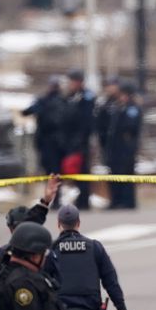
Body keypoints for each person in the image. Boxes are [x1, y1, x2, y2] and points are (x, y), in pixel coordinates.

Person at [58, 70, 95, 209]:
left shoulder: (86, 97)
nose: (70, 84)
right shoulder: (70, 97)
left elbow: (86, 121)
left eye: (72, 81)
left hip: (81, 141)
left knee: (83, 171)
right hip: (70, 140)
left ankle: (84, 200)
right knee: (74, 171)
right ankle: (81, 199)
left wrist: (80, 140)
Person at [104, 83, 142, 210]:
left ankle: (128, 202)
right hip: (116, 148)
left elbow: (130, 127)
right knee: (115, 174)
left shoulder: (132, 109)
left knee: (126, 175)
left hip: (127, 148)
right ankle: (116, 200)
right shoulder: (119, 108)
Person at [22, 78, 65, 177]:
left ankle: (53, 191)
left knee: (51, 169)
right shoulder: (58, 101)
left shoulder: (49, 101)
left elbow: (27, 112)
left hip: (51, 140)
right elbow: (28, 111)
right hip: (50, 140)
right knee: (53, 169)